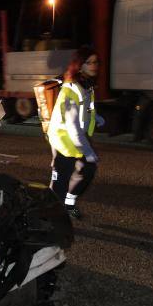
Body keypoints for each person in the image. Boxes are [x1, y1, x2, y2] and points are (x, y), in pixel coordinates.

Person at [47, 47, 103, 219]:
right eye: (89, 62)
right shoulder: (72, 88)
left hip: (77, 138)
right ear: (79, 65)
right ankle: (51, 217)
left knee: (87, 171)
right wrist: (88, 152)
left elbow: (85, 110)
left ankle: (68, 204)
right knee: (61, 182)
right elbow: (72, 126)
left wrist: (97, 118)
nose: (94, 65)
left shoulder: (86, 85)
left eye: (96, 62)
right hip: (64, 140)